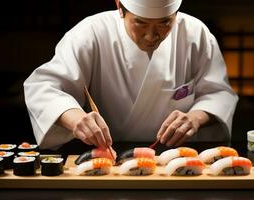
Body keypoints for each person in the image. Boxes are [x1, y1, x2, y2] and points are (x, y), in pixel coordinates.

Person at [24, 0, 238, 150]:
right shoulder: (90, 33)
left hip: (176, 156)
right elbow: (43, 87)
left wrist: (195, 118)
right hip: (108, 155)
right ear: (119, 7)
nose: (151, 35)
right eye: (141, 23)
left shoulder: (195, 33)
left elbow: (219, 93)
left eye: (165, 22)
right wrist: (75, 118)